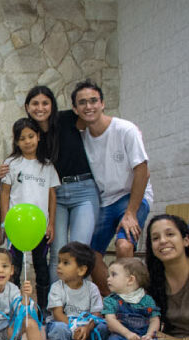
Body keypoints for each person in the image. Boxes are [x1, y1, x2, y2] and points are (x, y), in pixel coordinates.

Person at [74, 79, 153, 296]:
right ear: (76, 109)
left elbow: (143, 171)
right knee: (89, 256)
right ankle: (112, 301)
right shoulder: (82, 137)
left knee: (124, 246)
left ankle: (130, 301)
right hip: (105, 201)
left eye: (93, 101)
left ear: (102, 103)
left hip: (132, 196)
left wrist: (131, 212)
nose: (89, 106)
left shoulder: (125, 129)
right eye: (82, 103)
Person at [104, 214, 189, 340]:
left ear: (185, 240)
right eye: (156, 238)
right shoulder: (151, 284)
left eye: (170, 234)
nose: (163, 241)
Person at [20, 86, 100, 285]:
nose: (40, 108)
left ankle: (80, 303)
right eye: (35, 103)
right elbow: (22, 158)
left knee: (80, 250)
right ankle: (55, 305)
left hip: (83, 190)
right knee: (57, 251)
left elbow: (90, 121)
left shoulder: (67, 119)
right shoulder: (31, 133)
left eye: (45, 103)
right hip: (56, 195)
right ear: (27, 107)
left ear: (52, 105)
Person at [0, 118, 60, 311]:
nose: (27, 141)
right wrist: (4, 223)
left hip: (39, 227)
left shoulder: (48, 166)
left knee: (41, 267)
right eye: (22, 138)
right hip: (16, 227)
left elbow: (52, 196)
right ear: (16, 142)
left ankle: (43, 309)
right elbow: (5, 193)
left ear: (38, 137)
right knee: (15, 268)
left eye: (31, 136)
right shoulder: (11, 163)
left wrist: (51, 223)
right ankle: (16, 307)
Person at [45, 241, 110, 340]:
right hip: (64, 324)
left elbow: (97, 313)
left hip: (87, 327)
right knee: (58, 328)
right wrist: (73, 328)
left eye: (66, 263)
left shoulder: (92, 288)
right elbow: (57, 313)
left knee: (104, 327)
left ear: (81, 270)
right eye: (59, 261)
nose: (59, 266)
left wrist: (87, 328)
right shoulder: (57, 287)